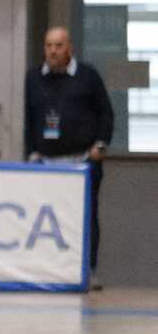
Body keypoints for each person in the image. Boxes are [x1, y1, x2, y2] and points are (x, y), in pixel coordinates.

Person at [25, 26, 113, 284]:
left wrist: (100, 146)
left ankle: (88, 269)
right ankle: (47, 269)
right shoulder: (34, 78)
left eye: (58, 45)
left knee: (86, 215)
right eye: (48, 46)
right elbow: (29, 117)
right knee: (45, 216)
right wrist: (31, 151)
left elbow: (106, 113)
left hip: (82, 161)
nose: (53, 51)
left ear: (69, 48)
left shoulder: (88, 76)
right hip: (46, 162)